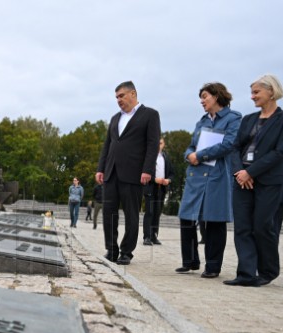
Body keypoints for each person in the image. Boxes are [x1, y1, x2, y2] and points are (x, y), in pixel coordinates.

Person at [225, 74, 283, 287]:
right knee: (243, 227)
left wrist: (251, 172)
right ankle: (246, 273)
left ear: (271, 92)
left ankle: (267, 271)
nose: (252, 96)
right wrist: (240, 172)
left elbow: (280, 152)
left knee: (262, 226)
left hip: (268, 180)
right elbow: (235, 148)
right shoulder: (248, 120)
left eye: (256, 92)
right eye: (252, 92)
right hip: (242, 179)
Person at [176, 83, 242, 278]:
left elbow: (229, 144)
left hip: (217, 176)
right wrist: (189, 155)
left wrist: (200, 155)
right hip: (196, 175)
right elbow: (190, 146)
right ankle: (189, 261)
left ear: (216, 96)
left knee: (214, 220)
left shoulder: (233, 118)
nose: (202, 101)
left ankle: (213, 267)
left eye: (205, 96)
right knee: (186, 217)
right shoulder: (202, 121)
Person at [96, 81, 161, 265]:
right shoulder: (115, 118)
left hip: (134, 173)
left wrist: (148, 169)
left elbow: (152, 144)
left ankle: (126, 252)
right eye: (116, 97)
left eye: (121, 96)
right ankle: (111, 248)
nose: (118, 100)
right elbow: (107, 145)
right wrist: (100, 168)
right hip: (111, 172)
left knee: (131, 215)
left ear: (133, 94)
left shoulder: (150, 115)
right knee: (108, 213)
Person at [143, 137, 174, 245]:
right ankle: (146, 237)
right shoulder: (148, 157)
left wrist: (168, 180)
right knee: (149, 212)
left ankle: (154, 236)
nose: (158, 145)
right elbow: (142, 172)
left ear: (163, 144)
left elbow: (171, 173)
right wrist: (153, 179)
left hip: (161, 188)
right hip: (150, 187)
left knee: (157, 213)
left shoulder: (166, 157)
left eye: (160, 143)